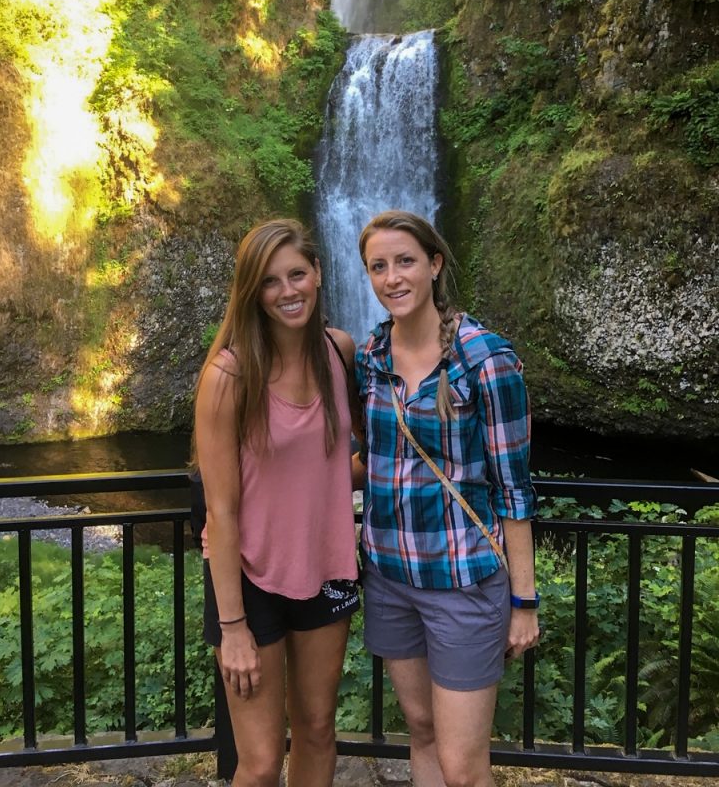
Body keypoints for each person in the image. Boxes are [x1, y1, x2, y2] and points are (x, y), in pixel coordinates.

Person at [352, 210, 539, 787]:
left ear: (434, 265)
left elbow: (513, 487)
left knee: (462, 765)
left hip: (462, 580)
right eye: (378, 267)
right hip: (388, 573)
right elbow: (372, 460)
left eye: (405, 261)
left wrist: (524, 601)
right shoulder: (370, 360)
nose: (393, 278)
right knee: (421, 728)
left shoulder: (485, 359)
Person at [194, 218, 360, 787]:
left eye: (297, 274)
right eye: (270, 281)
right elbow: (222, 510)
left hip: (328, 570)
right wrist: (233, 626)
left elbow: (342, 460)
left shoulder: (339, 353)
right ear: (252, 292)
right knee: (261, 762)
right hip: (251, 583)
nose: (288, 291)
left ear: (317, 274)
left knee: (316, 728)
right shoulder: (229, 375)